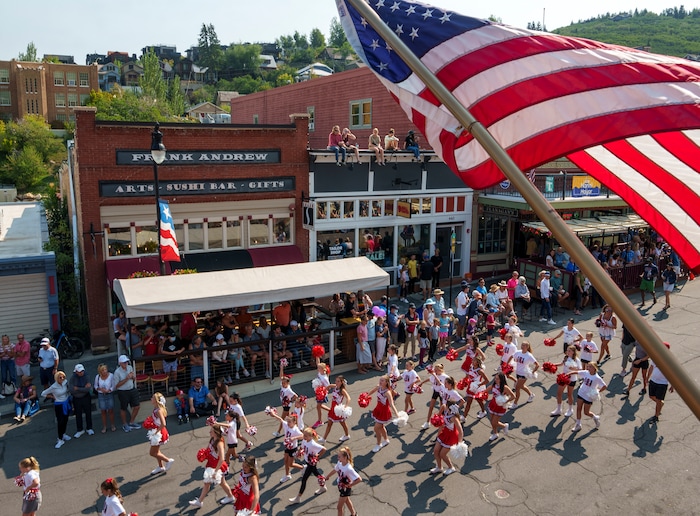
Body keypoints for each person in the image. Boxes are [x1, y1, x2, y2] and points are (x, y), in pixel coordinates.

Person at [188, 425, 235, 508]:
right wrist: (204, 455)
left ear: (216, 433)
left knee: (222, 483)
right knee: (207, 483)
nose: (210, 432)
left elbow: (222, 458)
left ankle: (230, 497)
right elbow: (208, 450)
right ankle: (200, 501)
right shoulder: (213, 439)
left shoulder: (219, 443)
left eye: (211, 431)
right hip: (211, 464)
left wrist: (216, 471)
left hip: (217, 466)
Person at [430, 376, 464, 475]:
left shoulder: (454, 417)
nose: (445, 408)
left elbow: (460, 430)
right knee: (436, 451)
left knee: (442, 454)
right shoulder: (444, 408)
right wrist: (438, 434)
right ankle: (439, 467)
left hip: (452, 436)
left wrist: (460, 443)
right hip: (444, 433)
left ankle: (451, 467)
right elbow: (440, 422)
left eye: (447, 407)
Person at [288, 427, 329, 504]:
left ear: (310, 436)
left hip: (311, 463)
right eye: (304, 435)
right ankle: (323, 487)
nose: (304, 437)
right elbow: (302, 447)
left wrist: (317, 457)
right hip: (307, 462)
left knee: (304, 479)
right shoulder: (305, 440)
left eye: (306, 435)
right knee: (317, 474)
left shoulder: (313, 444)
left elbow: (324, 449)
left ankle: (298, 497)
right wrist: (299, 452)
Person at [324, 446, 362, 516]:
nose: (338, 458)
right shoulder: (340, 463)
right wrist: (327, 477)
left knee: (339, 507)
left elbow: (359, 479)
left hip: (345, 489)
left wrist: (350, 485)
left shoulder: (349, 468)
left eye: (339, 457)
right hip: (341, 486)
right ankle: (353, 514)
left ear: (345, 457)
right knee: (347, 500)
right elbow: (335, 470)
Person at [268, 411, 304, 483]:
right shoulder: (286, 425)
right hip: (287, 447)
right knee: (285, 461)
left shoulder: (295, 429)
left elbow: (302, 436)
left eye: (290, 422)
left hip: (293, 448)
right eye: (287, 421)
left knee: (290, 464)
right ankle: (287, 475)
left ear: (294, 422)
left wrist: (294, 438)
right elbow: (281, 420)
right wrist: (274, 414)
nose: (288, 423)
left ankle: (303, 468)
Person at [571, 362, 607, 432]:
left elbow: (604, 386)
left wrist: (597, 391)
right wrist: (568, 374)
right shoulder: (586, 372)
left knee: (586, 412)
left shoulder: (597, 378)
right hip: (581, 393)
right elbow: (577, 372)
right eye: (588, 366)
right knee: (578, 408)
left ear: (594, 368)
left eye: (590, 367)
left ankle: (595, 418)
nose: (588, 368)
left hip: (589, 396)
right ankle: (578, 424)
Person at [367, 375, 399, 453]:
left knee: (376, 428)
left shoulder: (388, 392)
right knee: (381, 427)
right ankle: (386, 440)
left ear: (387, 382)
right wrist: (366, 396)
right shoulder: (379, 387)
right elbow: (371, 391)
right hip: (378, 409)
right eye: (380, 380)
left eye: (382, 381)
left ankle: (378, 444)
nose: (380, 382)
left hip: (384, 412)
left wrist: (397, 415)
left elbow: (391, 404)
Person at [40, 371, 72, 449]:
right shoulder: (53, 387)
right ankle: (60, 438)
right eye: (60, 377)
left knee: (65, 419)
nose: (62, 379)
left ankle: (63, 434)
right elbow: (43, 393)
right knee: (60, 422)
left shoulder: (65, 382)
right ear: (56, 378)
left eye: (63, 377)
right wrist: (51, 397)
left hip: (66, 402)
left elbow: (68, 389)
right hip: (59, 405)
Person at [551, 345, 583, 417]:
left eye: (569, 351)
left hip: (572, 379)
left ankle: (570, 409)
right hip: (564, 378)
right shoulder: (566, 358)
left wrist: (573, 369)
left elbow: (580, 370)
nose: (567, 352)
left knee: (569, 394)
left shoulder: (576, 360)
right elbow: (561, 364)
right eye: (567, 350)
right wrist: (551, 365)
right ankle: (558, 409)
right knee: (559, 393)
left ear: (573, 352)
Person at [148, 392, 174, 475]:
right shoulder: (157, 409)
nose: (151, 399)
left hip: (159, 432)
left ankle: (168, 460)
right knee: (157, 451)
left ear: (156, 401)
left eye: (152, 398)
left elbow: (163, 423)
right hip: (158, 430)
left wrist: (156, 432)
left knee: (152, 452)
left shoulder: (158, 411)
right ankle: (161, 466)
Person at [320, 375, 351, 443]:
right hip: (333, 409)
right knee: (329, 424)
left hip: (338, 410)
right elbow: (329, 386)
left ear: (342, 382)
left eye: (338, 381)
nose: (336, 382)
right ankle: (324, 438)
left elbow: (348, 398)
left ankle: (347, 435)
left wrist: (345, 406)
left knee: (343, 423)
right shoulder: (335, 386)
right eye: (336, 381)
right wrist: (324, 390)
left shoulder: (342, 390)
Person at [114, 355, 141, 433]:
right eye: (124, 362)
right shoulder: (117, 372)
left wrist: (132, 377)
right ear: (120, 363)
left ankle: (131, 422)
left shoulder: (130, 367)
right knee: (123, 408)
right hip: (123, 391)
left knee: (137, 406)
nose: (126, 363)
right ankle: (124, 424)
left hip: (131, 389)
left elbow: (134, 378)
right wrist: (126, 378)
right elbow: (117, 385)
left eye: (126, 362)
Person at [648, 343, 674, 423]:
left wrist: (672, 385)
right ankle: (660, 404)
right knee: (651, 396)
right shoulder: (655, 356)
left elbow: (673, 374)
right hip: (653, 380)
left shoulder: (670, 361)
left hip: (662, 383)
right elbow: (651, 367)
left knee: (658, 400)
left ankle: (656, 416)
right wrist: (647, 377)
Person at [486, 372, 515, 441]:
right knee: (492, 421)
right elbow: (485, 391)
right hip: (493, 404)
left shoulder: (505, 387)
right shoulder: (493, 385)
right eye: (495, 378)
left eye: (497, 379)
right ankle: (495, 433)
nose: (495, 380)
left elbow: (513, 396)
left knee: (494, 422)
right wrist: (480, 394)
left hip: (500, 406)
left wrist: (505, 402)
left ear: (501, 379)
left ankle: (504, 426)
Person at [420, 362, 448, 430]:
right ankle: (427, 422)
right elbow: (429, 379)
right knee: (431, 407)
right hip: (435, 392)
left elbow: (440, 383)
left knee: (442, 409)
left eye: (436, 370)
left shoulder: (445, 377)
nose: (434, 371)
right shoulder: (434, 375)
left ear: (440, 370)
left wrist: (434, 375)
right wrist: (421, 383)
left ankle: (442, 421)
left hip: (442, 393)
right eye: (434, 370)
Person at [69, 363, 94, 438]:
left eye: (82, 371)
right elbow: (72, 390)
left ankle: (89, 428)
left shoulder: (86, 376)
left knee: (88, 413)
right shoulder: (72, 378)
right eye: (79, 372)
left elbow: (87, 389)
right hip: (76, 399)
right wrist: (83, 388)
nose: (81, 373)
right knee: (78, 414)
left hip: (86, 397)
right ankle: (80, 430)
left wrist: (78, 388)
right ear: (76, 372)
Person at [511, 341, 539, 409]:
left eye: (524, 345)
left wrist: (532, 372)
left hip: (524, 374)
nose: (522, 346)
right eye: (522, 345)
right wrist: (508, 364)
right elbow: (512, 357)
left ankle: (515, 403)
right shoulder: (518, 352)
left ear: (527, 347)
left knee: (517, 388)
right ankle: (531, 395)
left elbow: (537, 365)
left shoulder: (529, 355)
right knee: (521, 386)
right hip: (518, 372)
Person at [273, 371, 298, 437]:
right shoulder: (283, 386)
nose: (283, 384)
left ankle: (278, 432)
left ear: (287, 383)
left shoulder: (288, 390)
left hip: (286, 406)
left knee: (282, 419)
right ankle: (295, 427)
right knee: (289, 417)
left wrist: (290, 402)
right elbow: (281, 376)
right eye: (282, 383)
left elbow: (296, 396)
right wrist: (281, 367)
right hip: (284, 405)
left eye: (284, 383)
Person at [94, 363, 116, 432]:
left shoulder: (111, 375)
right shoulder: (97, 377)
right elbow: (95, 386)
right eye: (103, 370)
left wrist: (109, 390)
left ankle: (112, 425)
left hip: (109, 394)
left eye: (105, 369)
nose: (105, 371)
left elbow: (114, 386)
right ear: (100, 371)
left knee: (110, 410)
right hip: (101, 395)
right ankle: (104, 426)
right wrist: (100, 389)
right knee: (103, 411)